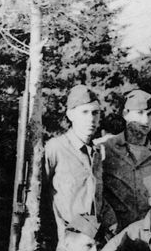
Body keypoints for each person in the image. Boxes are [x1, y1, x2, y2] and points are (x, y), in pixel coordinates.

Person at [44, 85, 114, 238]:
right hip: (65, 241)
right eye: (84, 112)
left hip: (93, 241)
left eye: (95, 113)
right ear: (70, 115)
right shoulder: (55, 148)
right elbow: (40, 196)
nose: (91, 119)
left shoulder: (96, 153)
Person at [101, 89, 151, 231]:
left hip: (149, 231)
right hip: (116, 233)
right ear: (125, 114)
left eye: (150, 114)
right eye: (139, 113)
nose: (146, 120)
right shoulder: (106, 149)